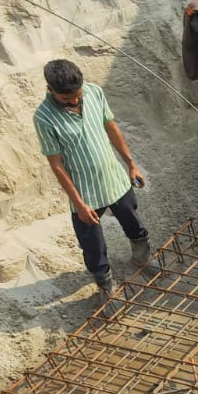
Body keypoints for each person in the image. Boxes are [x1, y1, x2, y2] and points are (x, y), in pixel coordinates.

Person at [33, 59, 152, 299]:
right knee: (93, 245)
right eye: (67, 99)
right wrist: (79, 204)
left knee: (133, 222)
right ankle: (105, 286)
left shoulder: (94, 92)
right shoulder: (44, 118)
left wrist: (131, 164)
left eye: (78, 96)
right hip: (85, 192)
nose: (75, 101)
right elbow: (56, 165)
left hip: (114, 178)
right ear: (50, 90)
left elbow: (111, 127)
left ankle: (143, 258)